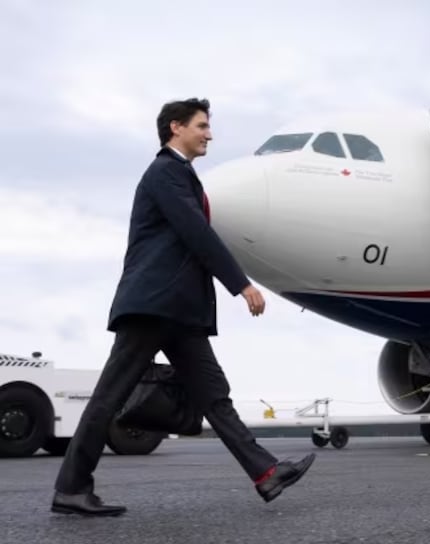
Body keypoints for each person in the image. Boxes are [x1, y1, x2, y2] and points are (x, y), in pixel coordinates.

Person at [51, 98, 315, 517]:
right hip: (154, 306)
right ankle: (71, 488)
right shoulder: (165, 173)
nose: (209, 134)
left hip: (180, 312)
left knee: (214, 396)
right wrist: (241, 284)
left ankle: (267, 473)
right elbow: (196, 232)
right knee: (109, 397)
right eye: (202, 125)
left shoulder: (182, 175)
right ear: (176, 127)